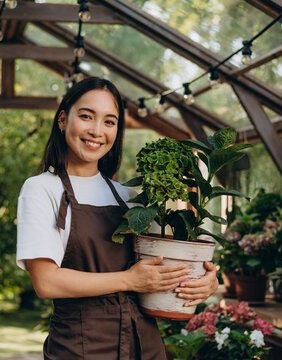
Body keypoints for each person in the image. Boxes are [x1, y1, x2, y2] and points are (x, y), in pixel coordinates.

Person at [16, 77, 218, 359]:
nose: (97, 131)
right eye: (87, 116)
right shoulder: (41, 189)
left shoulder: (130, 197)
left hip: (144, 346)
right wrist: (129, 280)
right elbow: (46, 282)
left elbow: (168, 262)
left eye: (110, 122)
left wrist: (206, 281)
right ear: (62, 120)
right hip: (81, 348)